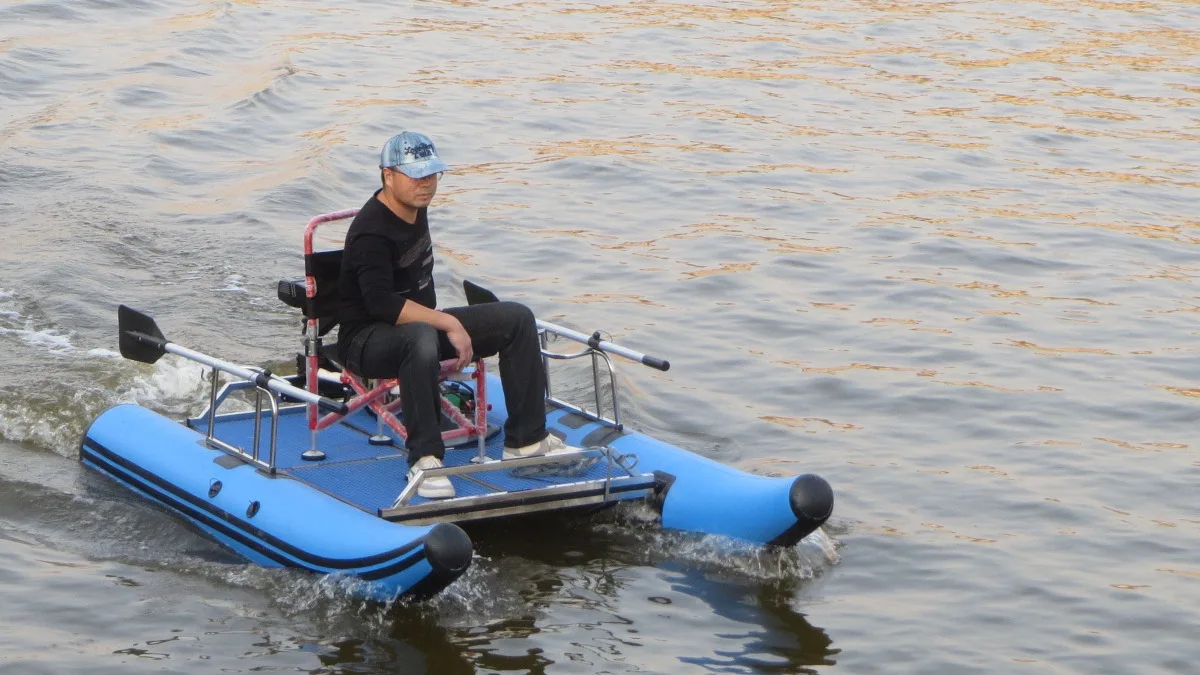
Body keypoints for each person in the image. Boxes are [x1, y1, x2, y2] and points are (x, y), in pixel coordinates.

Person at [336, 131, 574, 499]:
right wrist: (450, 323)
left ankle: (527, 441)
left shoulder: (415, 206)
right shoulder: (371, 232)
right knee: (420, 336)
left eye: (432, 174)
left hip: (417, 329)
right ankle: (425, 459)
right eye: (416, 175)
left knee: (516, 319)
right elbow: (381, 305)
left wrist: (450, 323)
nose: (426, 184)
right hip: (365, 340)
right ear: (388, 176)